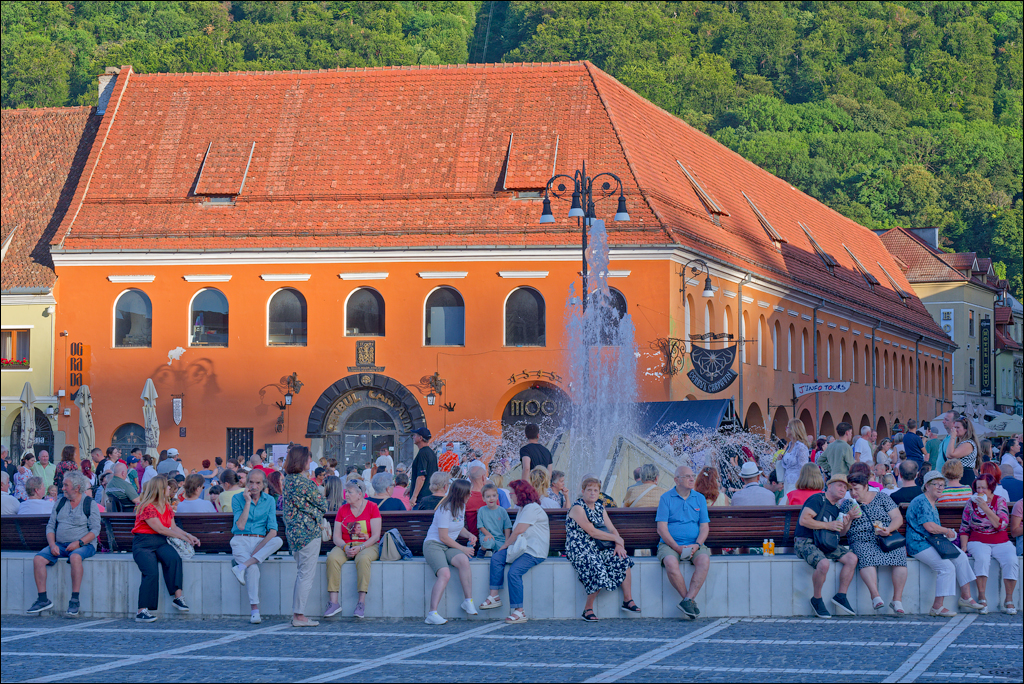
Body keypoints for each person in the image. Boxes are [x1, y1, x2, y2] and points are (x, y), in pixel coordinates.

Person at [906, 470, 983, 616]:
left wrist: (945, 533)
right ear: (927, 486)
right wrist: (948, 531)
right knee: (947, 567)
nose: (940, 488)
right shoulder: (922, 501)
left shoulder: (931, 501)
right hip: (919, 543)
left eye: (942, 485)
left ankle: (966, 597)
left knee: (961, 557)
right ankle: (937, 607)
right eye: (936, 484)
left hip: (932, 541)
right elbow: (930, 527)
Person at [26, 472, 100, 617]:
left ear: (77, 488)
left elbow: (95, 530)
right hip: (60, 544)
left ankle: (74, 600)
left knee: (75, 557)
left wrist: (79, 543)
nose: (63, 488)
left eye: (66, 485)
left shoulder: (89, 503)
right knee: (38, 559)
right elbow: (50, 526)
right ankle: (43, 599)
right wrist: (52, 544)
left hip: (84, 545)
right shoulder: (60, 503)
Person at [565, 475, 636, 621]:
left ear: (599, 493)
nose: (592, 493)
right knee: (597, 567)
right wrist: (616, 539)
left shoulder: (599, 507)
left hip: (598, 546)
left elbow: (612, 529)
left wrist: (619, 544)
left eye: (595, 490)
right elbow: (592, 532)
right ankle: (588, 609)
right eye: (589, 490)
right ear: (583, 491)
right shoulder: (578, 507)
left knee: (622, 560)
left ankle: (627, 600)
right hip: (580, 547)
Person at [479, 479, 550, 623]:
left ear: (520, 494)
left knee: (514, 572)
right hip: (521, 549)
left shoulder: (532, 508)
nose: (511, 497)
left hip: (534, 551)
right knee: (496, 558)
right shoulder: (523, 509)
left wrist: (505, 545)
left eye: (512, 494)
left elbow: (518, 530)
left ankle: (519, 611)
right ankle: (494, 596)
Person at [131, 475, 198, 622]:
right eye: (166, 486)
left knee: (174, 559)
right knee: (151, 572)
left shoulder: (166, 505)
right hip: (143, 543)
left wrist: (188, 535)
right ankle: (142, 611)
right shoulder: (146, 506)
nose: (169, 488)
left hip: (160, 541)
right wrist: (182, 538)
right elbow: (160, 529)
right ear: (159, 489)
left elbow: (172, 527)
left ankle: (178, 598)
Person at [840, 471, 908, 615]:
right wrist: (850, 517)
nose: (853, 493)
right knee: (865, 556)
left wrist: (888, 529)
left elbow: (897, 518)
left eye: (856, 489)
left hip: (885, 537)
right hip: (861, 539)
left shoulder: (882, 497)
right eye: (850, 490)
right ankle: (875, 596)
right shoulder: (847, 504)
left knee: (899, 555)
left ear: (866, 486)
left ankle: (897, 600)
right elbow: (842, 532)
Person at [794, 474, 859, 618]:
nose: (843, 489)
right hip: (806, 541)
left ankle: (841, 596)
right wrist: (828, 525)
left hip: (825, 542)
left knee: (852, 558)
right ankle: (816, 599)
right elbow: (804, 520)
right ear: (829, 486)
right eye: (839, 485)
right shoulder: (817, 499)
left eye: (845, 487)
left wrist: (848, 519)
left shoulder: (836, 508)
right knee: (823, 564)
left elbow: (841, 532)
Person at [228, 468, 283, 623]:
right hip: (241, 540)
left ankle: (240, 567)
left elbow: (273, 531)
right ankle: (255, 610)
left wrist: (258, 549)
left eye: (258, 483)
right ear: (246, 483)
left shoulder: (269, 500)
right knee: (253, 569)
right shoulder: (237, 498)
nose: (254, 486)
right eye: (251, 482)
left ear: (263, 484)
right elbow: (240, 525)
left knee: (278, 541)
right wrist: (247, 502)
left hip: (260, 541)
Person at [656, 465, 710, 619]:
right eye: (687, 476)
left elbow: (704, 527)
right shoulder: (666, 498)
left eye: (693, 476)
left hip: (695, 544)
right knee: (670, 563)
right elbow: (661, 528)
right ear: (676, 480)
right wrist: (676, 547)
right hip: (670, 545)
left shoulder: (699, 498)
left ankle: (687, 600)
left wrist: (697, 545)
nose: (692, 479)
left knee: (704, 560)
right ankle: (688, 600)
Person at [959, 472, 1016, 615]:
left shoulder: (1000, 501)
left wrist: (985, 508)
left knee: (1011, 560)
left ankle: (1009, 599)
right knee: (982, 558)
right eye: (978, 488)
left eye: (983, 488)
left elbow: (1001, 525)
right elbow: (964, 528)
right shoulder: (971, 503)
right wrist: (964, 546)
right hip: (978, 539)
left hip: (1000, 539)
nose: (980, 491)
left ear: (991, 488)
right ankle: (982, 598)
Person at [283, 444, 327, 627]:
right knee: (306, 575)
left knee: (302, 573)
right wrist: (316, 510)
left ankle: (298, 613)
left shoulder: (288, 481)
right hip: (308, 532)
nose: (310, 460)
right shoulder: (305, 483)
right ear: (301, 460)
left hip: (294, 534)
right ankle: (299, 615)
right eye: (308, 457)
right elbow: (323, 504)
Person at [423, 478, 478, 624]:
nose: (470, 495)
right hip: (433, 545)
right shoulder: (445, 509)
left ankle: (468, 600)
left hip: (447, 546)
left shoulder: (461, 506)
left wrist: (470, 535)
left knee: (464, 561)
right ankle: (432, 613)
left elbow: (458, 526)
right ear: (461, 494)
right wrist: (463, 548)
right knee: (445, 574)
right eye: (468, 493)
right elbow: (443, 537)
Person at [324, 479, 381, 620]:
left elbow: (375, 535)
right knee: (332, 558)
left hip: (367, 545)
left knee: (363, 559)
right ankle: (334, 602)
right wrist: (345, 547)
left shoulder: (372, 507)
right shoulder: (342, 509)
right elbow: (336, 536)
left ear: (360, 494)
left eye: (349, 492)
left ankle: (361, 603)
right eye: (346, 491)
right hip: (346, 544)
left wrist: (361, 547)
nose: (346, 495)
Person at [476, 483, 512, 556]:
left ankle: (495, 552)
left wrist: (506, 541)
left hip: (499, 538)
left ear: (497, 497)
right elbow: (480, 526)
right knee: (488, 541)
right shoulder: (482, 510)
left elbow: (507, 526)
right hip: (486, 536)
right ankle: (482, 550)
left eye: (494, 496)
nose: (491, 498)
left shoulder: (502, 511)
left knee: (504, 549)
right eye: (488, 496)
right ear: (483, 498)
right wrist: (488, 534)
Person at [945, 416, 978, 487]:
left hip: (965, 475)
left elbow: (950, 454)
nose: (955, 430)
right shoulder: (960, 443)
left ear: (966, 429)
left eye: (958, 427)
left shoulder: (968, 443)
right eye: (954, 427)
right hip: (958, 474)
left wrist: (952, 437)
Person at [780, 420, 811, 495]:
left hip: (796, 484)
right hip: (787, 482)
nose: (785, 430)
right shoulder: (790, 445)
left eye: (787, 427)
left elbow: (803, 468)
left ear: (793, 429)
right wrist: (781, 458)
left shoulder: (801, 447)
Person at [409, 427, 437, 506]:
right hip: (429, 495)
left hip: (421, 499)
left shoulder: (422, 453)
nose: (413, 437)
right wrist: (411, 488)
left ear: (420, 438)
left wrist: (414, 496)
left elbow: (421, 477)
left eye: (415, 435)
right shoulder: (431, 452)